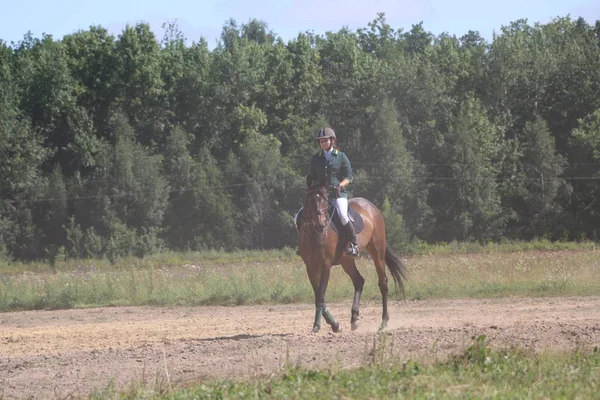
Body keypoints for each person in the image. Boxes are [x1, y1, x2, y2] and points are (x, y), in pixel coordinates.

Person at [308, 127, 359, 256]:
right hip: (320, 195)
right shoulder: (316, 158)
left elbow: (349, 177)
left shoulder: (340, 157)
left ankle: (354, 244)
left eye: (325, 140)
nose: (323, 143)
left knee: (342, 215)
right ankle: (304, 245)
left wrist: (340, 186)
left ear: (332, 140)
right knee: (302, 214)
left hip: (337, 194)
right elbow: (312, 176)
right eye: (321, 141)